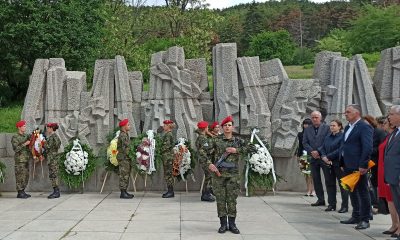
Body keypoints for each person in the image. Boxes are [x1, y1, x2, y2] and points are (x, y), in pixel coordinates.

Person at [208, 115, 255, 234]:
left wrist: (237, 150)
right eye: (225, 126)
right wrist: (209, 164)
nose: (227, 127)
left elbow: (252, 147)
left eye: (229, 125)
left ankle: (232, 224)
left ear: (232, 127)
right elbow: (203, 152)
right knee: (220, 200)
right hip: (219, 175)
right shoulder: (215, 140)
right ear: (222, 127)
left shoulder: (238, 141)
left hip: (233, 175)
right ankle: (223, 224)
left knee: (232, 200)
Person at [340, 104, 373, 230]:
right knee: (352, 191)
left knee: (363, 192)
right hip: (347, 164)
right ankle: (356, 215)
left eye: (348, 112)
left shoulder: (364, 127)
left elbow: (367, 147)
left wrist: (363, 164)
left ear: (357, 113)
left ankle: (365, 219)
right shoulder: (348, 126)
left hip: (358, 165)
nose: (345, 114)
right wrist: (342, 162)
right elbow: (344, 145)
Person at [318, 119, 349, 213]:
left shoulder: (343, 136)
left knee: (343, 185)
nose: (332, 127)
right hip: (327, 163)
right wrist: (323, 156)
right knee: (330, 184)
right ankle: (331, 204)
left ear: (339, 127)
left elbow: (340, 149)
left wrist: (328, 157)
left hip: (338, 163)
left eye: (334, 125)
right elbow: (322, 147)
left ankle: (344, 206)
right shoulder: (328, 136)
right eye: (331, 125)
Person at [302, 111, 330, 206]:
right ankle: (320, 199)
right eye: (313, 117)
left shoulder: (326, 128)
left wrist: (318, 151)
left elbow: (327, 141)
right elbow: (305, 142)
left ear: (320, 118)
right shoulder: (307, 129)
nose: (314, 119)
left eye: (316, 117)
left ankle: (331, 202)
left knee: (328, 179)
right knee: (316, 179)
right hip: (313, 158)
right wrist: (312, 152)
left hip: (324, 157)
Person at [378, 118, 400, 237]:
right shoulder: (390, 136)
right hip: (386, 171)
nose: (384, 125)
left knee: (396, 200)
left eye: (386, 123)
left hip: (394, 172)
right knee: (391, 200)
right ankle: (394, 224)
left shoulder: (395, 135)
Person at [362, 115, 386, 212]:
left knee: (374, 184)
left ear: (370, 122)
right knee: (367, 184)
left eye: (365, 122)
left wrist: (368, 150)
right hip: (364, 162)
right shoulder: (363, 131)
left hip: (375, 162)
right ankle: (370, 204)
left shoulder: (379, 132)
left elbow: (381, 148)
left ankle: (377, 205)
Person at [385, 105, 400, 240]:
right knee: (397, 204)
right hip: (393, 176)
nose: (389, 117)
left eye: (391, 114)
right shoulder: (395, 132)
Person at [11, 120, 31, 199]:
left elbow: (32, 138)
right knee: (20, 176)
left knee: (25, 176)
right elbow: (16, 149)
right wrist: (25, 144)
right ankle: (19, 192)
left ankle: (23, 191)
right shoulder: (15, 137)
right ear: (19, 127)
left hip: (26, 159)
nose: (25, 127)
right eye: (23, 126)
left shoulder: (26, 136)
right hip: (19, 160)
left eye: (25, 126)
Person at [195, 121, 215, 202]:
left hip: (205, 159)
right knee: (209, 176)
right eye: (207, 128)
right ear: (205, 128)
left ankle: (207, 192)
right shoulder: (202, 138)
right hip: (205, 160)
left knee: (209, 176)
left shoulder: (202, 137)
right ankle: (205, 194)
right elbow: (207, 149)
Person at [43, 123, 61, 199]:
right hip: (52, 158)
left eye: (48, 128)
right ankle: (55, 190)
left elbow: (50, 147)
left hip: (53, 158)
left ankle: (56, 191)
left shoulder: (53, 137)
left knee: (54, 175)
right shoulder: (53, 137)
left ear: (51, 128)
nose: (47, 129)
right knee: (53, 174)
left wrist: (43, 143)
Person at [297, 118, 314, 197]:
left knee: (312, 174)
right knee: (306, 174)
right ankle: (308, 189)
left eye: (308, 124)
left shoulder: (313, 134)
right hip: (303, 155)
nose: (306, 125)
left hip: (311, 155)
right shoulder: (300, 134)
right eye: (305, 123)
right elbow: (300, 146)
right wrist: (298, 156)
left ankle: (313, 190)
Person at [117, 118, 134, 199]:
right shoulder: (123, 135)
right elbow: (125, 148)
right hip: (124, 158)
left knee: (126, 175)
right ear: (124, 127)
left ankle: (124, 191)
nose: (129, 126)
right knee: (124, 175)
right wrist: (132, 155)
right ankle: (123, 193)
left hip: (125, 158)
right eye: (128, 125)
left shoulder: (125, 134)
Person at [161, 119, 175, 198]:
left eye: (164, 125)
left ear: (168, 126)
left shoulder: (168, 135)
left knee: (168, 174)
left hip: (168, 157)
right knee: (167, 174)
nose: (163, 127)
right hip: (167, 157)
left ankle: (170, 191)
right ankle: (170, 190)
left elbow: (166, 146)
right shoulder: (167, 134)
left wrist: (160, 149)